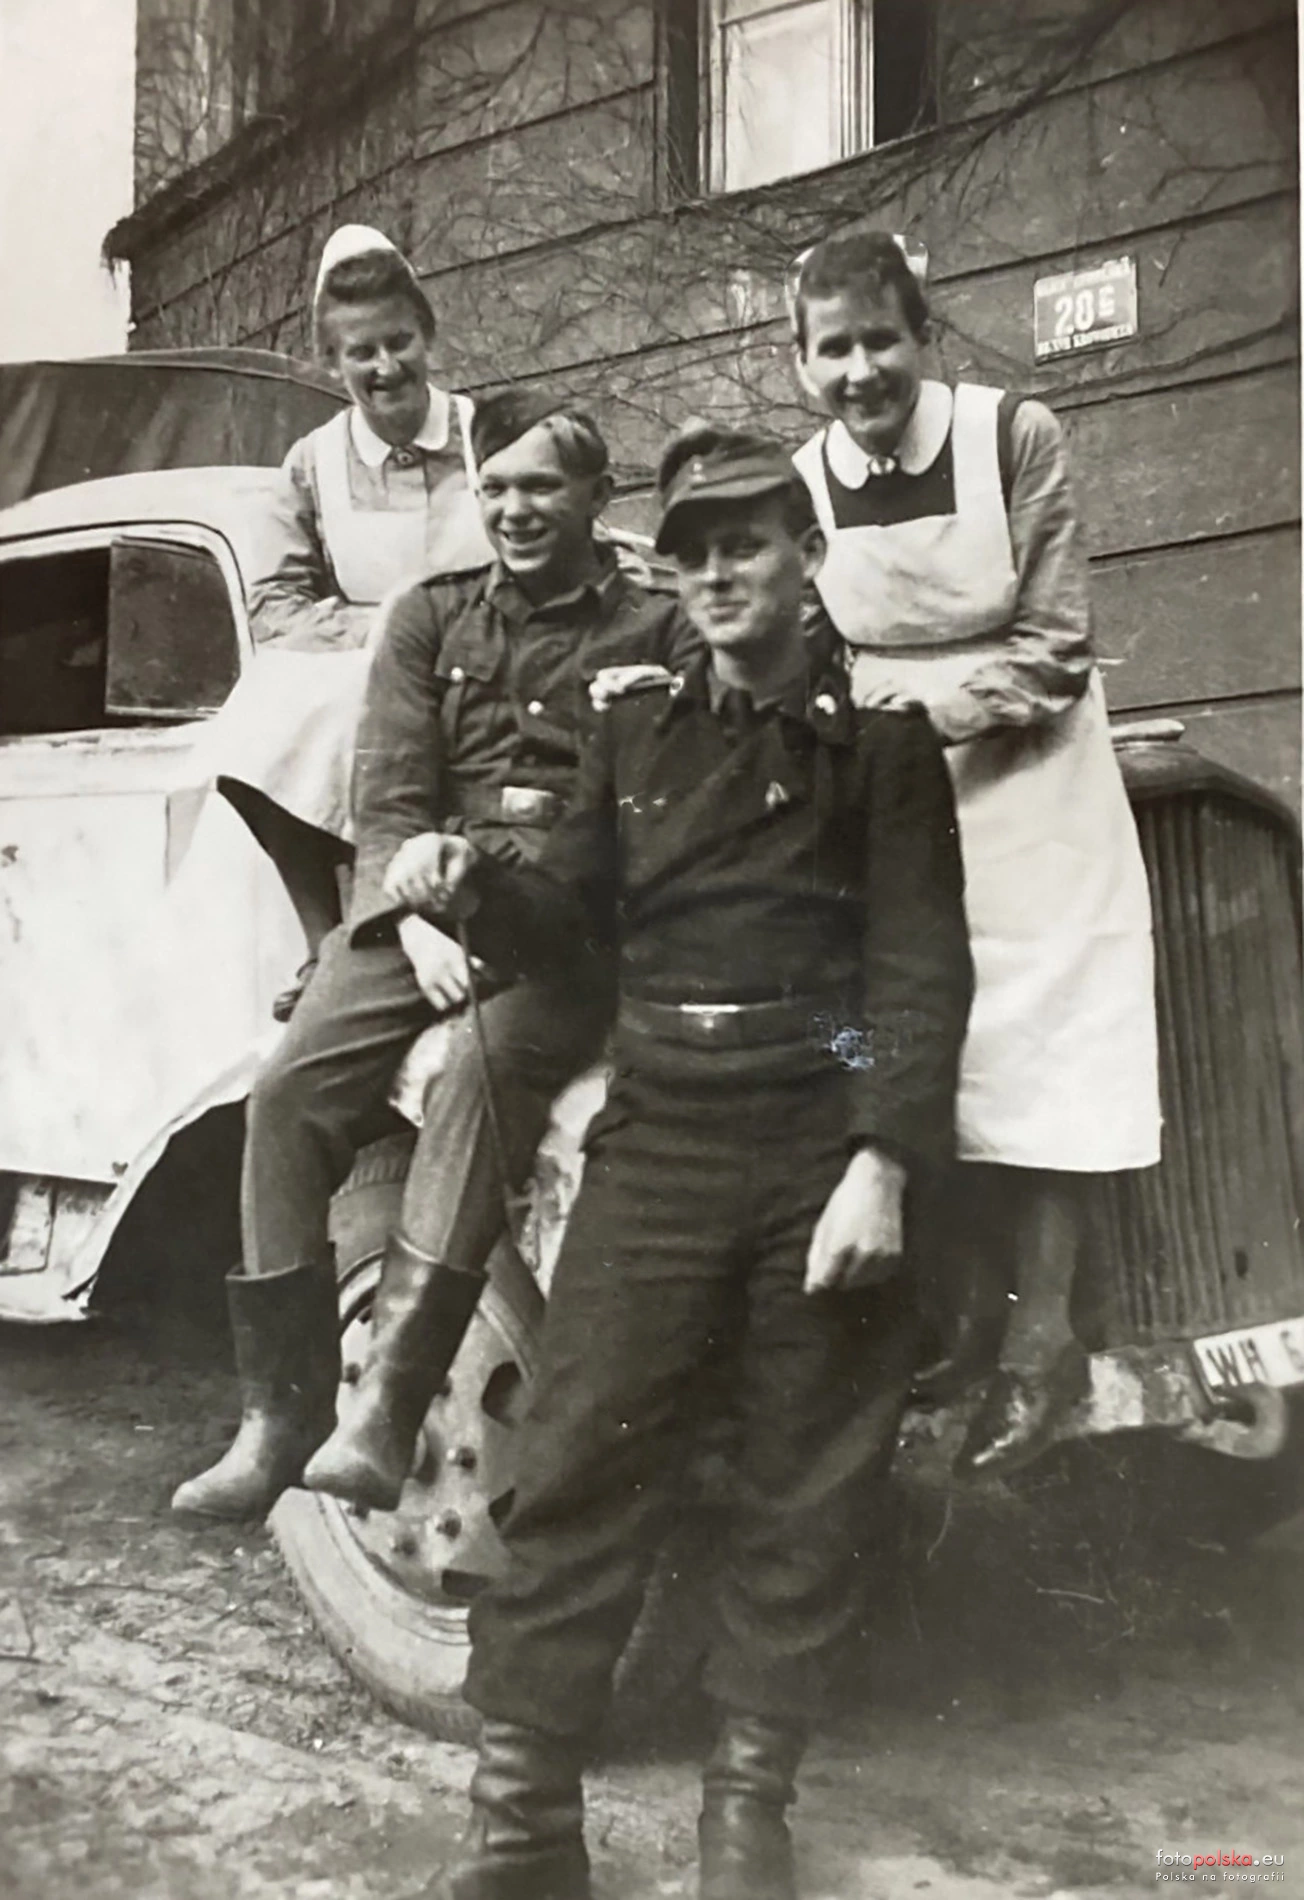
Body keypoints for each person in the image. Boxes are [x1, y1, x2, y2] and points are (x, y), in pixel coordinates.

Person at [388, 425, 973, 1900]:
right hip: (660, 1126)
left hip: (817, 1129)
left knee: (804, 1487)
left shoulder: (881, 747)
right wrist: (471, 888)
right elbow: (569, 925)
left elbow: (912, 976)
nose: (717, 574)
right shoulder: (634, 729)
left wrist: (879, 1158)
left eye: (745, 545)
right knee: (573, 1462)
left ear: (805, 556)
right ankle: (524, 1831)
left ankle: (745, 1819)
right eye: (694, 550)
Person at [170, 392, 700, 1523]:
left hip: (569, 922)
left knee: (478, 1069)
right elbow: (391, 796)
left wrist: (503, 906)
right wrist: (409, 921)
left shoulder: (659, 626)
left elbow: (648, 819)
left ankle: (388, 1403)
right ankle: (278, 1414)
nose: (513, 509)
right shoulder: (430, 615)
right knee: (287, 1090)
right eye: (493, 486)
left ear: (598, 496)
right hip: (421, 906)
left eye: (541, 486)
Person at [789, 229, 1161, 1474]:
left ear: (922, 335)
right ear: (799, 362)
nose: (858, 370)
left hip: (1032, 774)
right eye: (831, 349)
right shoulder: (803, 480)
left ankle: (1042, 1343)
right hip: (898, 798)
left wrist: (923, 718)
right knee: (922, 1035)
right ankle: (962, 1326)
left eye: (878, 340)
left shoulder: (1012, 437)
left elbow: (1055, 642)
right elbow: (814, 651)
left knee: (1043, 1041)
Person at [192, 222, 493, 1016]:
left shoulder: (486, 435)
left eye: (399, 342)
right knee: (261, 714)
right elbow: (275, 606)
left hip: (494, 657)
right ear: (333, 360)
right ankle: (328, 939)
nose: (385, 367)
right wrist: (380, 629)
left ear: (428, 335)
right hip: (381, 670)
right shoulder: (313, 462)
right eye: (362, 352)